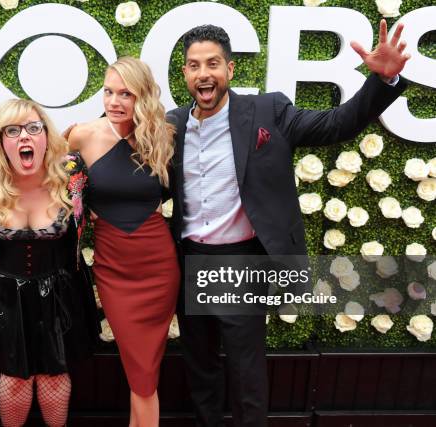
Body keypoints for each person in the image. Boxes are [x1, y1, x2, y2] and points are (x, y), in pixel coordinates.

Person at [166, 22, 410, 427]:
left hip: (239, 261)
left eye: (212, 63)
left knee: (245, 371)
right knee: (200, 366)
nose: (203, 73)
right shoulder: (173, 125)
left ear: (229, 69)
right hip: (190, 258)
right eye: (194, 66)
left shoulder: (267, 112)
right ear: (186, 75)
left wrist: (382, 81)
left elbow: (337, 124)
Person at [0, 99, 99, 427]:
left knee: (54, 373)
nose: (24, 137)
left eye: (34, 128)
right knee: (15, 376)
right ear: (1, 140)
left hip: (59, 290)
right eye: (13, 130)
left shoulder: (70, 170)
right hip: (3, 294)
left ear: (46, 136)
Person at [69, 56, 180, 426]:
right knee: (141, 371)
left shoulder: (164, 135)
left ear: (143, 96)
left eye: (125, 94)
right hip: (113, 267)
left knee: (144, 373)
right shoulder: (82, 135)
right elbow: (59, 191)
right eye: (108, 92)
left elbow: (181, 193)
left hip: (158, 266)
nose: (114, 102)